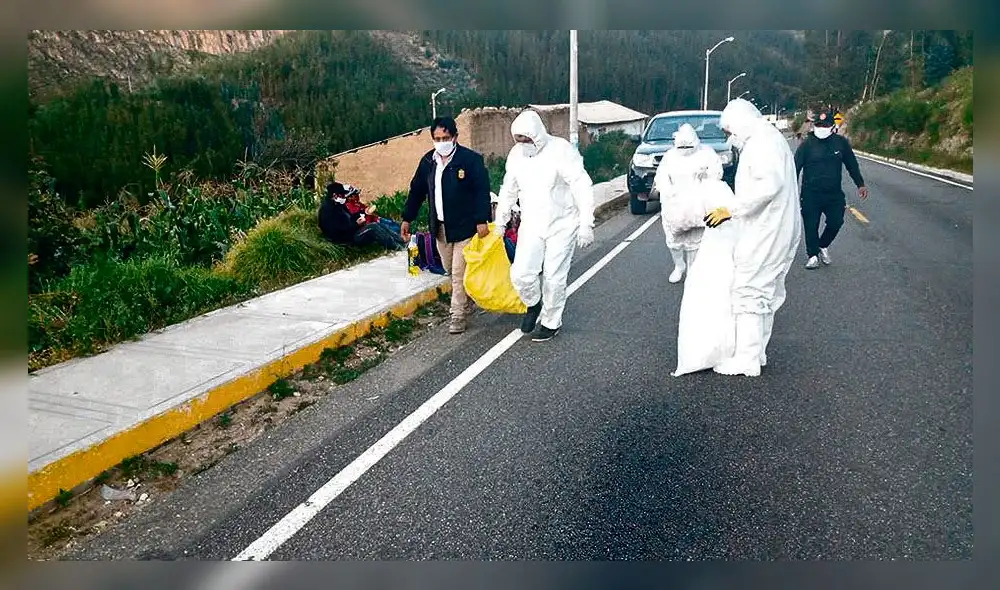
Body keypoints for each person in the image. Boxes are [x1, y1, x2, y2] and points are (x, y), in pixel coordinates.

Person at [702, 98, 802, 377]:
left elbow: (767, 185)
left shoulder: (761, 143)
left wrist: (730, 209)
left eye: (730, 131)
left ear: (740, 122)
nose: (731, 139)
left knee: (749, 291)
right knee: (765, 294)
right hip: (776, 227)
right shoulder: (770, 138)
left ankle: (746, 360)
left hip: (766, 230)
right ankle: (756, 353)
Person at [493, 109, 595, 342]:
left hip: (563, 223)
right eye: (518, 139)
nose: (523, 143)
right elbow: (509, 189)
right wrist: (501, 221)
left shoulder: (561, 150)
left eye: (526, 139)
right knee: (521, 274)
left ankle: (551, 322)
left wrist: (586, 223)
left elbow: (581, 184)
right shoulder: (516, 155)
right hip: (532, 223)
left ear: (538, 134)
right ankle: (533, 303)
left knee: (553, 276)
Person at [401, 116, 492, 334]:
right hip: (440, 228)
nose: (442, 142)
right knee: (450, 270)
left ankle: (457, 316)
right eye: (437, 138)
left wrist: (482, 220)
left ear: (455, 137)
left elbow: (481, 191)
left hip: (465, 226)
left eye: (446, 137)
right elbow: (417, 192)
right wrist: (407, 218)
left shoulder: (470, 161)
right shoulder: (428, 162)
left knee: (459, 273)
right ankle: (467, 300)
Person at [794, 110, 869, 269]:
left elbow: (851, 164)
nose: (822, 128)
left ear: (832, 126)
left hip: (833, 194)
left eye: (825, 125)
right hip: (810, 194)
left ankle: (823, 245)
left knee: (836, 222)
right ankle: (812, 255)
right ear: (815, 126)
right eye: (819, 125)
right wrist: (791, 191)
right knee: (811, 225)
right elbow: (795, 168)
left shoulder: (840, 143)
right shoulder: (807, 145)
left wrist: (860, 183)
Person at [653, 123, 724, 283]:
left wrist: (706, 174)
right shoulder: (670, 156)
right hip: (674, 205)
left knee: (695, 241)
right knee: (674, 240)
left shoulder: (707, 153)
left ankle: (693, 269)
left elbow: (717, 173)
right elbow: (661, 177)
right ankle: (679, 266)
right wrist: (668, 191)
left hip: (698, 204)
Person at [318, 182, 406, 251]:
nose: (345, 197)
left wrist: (362, 213)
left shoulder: (339, 205)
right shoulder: (327, 211)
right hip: (345, 239)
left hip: (352, 231)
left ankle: (401, 240)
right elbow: (338, 229)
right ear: (335, 195)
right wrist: (356, 224)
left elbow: (350, 217)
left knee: (377, 224)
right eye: (343, 195)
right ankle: (397, 247)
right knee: (373, 227)